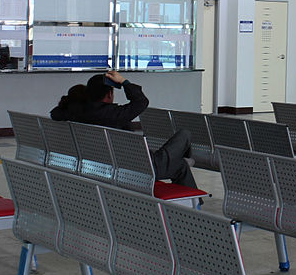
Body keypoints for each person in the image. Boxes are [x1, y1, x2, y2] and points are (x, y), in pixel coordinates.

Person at [51, 71, 196, 188]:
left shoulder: (74, 113)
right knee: (185, 134)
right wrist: (124, 82)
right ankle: (194, 204)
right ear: (109, 95)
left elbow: (55, 112)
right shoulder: (113, 114)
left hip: (106, 165)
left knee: (180, 165)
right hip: (142, 167)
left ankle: (184, 167)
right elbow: (141, 102)